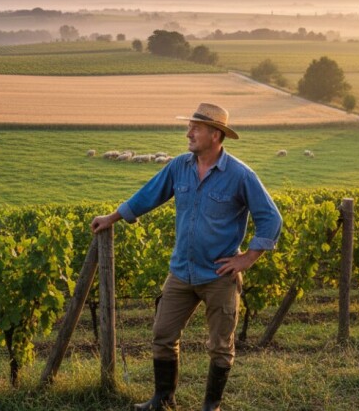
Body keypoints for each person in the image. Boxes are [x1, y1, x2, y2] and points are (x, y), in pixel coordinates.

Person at [91, 102, 282, 411]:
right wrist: (112, 217)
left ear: (215, 134)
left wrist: (247, 259)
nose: (188, 134)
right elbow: (148, 195)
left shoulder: (240, 175)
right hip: (181, 271)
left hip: (219, 276)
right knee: (162, 335)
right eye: (189, 127)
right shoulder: (179, 166)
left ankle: (211, 407)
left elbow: (271, 219)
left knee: (220, 346)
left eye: (196, 128)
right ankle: (163, 399)